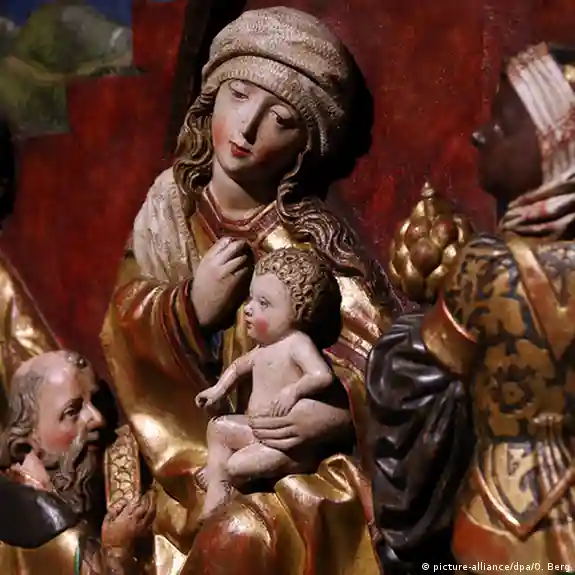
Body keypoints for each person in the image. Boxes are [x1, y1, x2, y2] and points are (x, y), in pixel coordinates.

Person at [101, 6, 401, 575]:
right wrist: (189, 308)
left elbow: (381, 368)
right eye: (238, 96)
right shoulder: (167, 210)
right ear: (211, 96)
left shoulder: (308, 244)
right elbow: (120, 325)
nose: (246, 129)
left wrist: (337, 420)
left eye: (280, 119)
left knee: (243, 534)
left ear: (303, 147)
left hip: (284, 466)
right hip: (179, 452)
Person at [367, 42, 575, 574]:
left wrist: (396, 341)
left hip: (502, 519)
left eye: (504, 124)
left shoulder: (487, 266)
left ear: (557, 148)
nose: (482, 135)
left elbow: (426, 375)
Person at [195, 247, 342, 519]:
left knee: (234, 466)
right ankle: (217, 488)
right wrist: (218, 390)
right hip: (257, 431)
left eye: (263, 303)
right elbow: (238, 367)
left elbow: (322, 375)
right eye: (251, 298)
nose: (248, 308)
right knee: (217, 429)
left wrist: (293, 391)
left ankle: (224, 482)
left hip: (286, 447)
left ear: (297, 312)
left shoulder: (296, 344)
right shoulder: (263, 348)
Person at [0, 350, 155, 575]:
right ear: (28, 441)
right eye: (72, 411)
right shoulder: (32, 520)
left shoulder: (117, 473)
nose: (97, 419)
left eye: (96, 402)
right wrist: (117, 550)